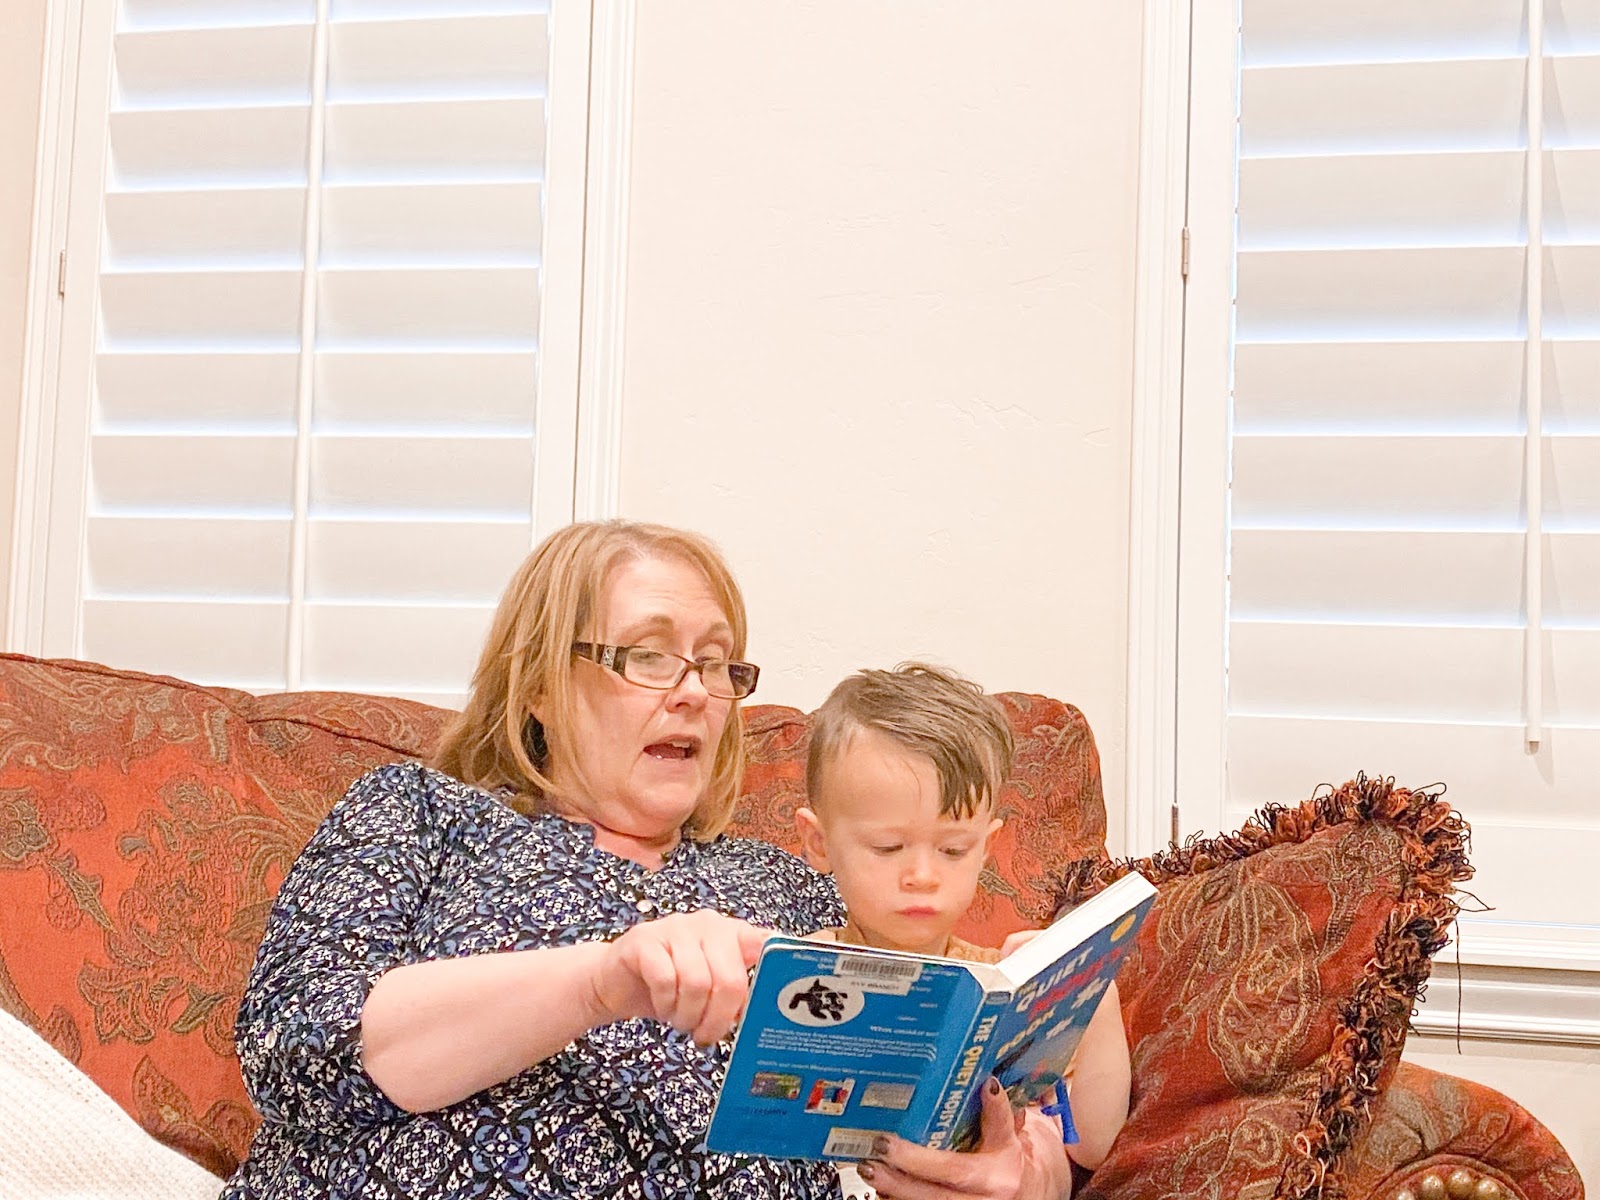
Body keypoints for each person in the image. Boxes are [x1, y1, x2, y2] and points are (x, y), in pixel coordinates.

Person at [224, 521, 1076, 1200]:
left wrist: (1030, 1171)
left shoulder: (795, 888)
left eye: (715, 663)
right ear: (539, 687)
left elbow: (936, 1067)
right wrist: (603, 981)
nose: (696, 691)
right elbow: (296, 1056)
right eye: (650, 655)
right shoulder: (422, 814)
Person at [795, 664, 1131, 1199]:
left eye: (953, 849)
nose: (922, 875)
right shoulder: (797, 972)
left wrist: (1095, 994)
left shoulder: (1003, 988)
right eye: (887, 847)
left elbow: (1090, 1144)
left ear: (986, 848)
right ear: (819, 844)